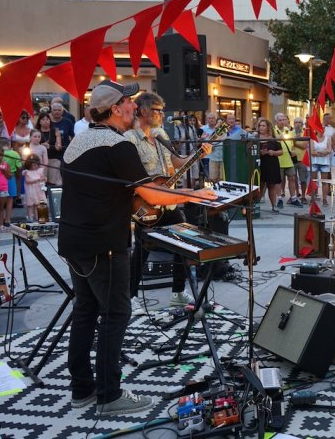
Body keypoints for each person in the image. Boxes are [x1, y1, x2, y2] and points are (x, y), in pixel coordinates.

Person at [58, 80, 214, 416]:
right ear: (115, 109)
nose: (134, 107)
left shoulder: (79, 142)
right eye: (129, 103)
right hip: (104, 243)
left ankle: (82, 389)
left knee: (85, 312)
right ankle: (109, 396)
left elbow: (116, 195)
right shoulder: (117, 145)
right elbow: (152, 195)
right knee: (115, 314)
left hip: (73, 241)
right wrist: (195, 195)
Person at [126, 92, 204, 313]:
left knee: (183, 244)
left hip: (168, 202)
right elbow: (133, 174)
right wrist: (153, 188)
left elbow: (177, 162)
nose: (161, 115)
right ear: (142, 111)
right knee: (142, 251)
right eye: (157, 110)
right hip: (146, 202)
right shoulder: (130, 138)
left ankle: (177, 293)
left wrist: (198, 155)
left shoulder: (161, 134)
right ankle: (130, 297)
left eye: (162, 110)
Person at [274, 113, 301, 207]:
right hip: (278, 159)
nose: (282, 121)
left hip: (288, 159)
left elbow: (292, 141)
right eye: (280, 120)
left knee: (292, 178)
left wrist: (292, 149)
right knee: (278, 180)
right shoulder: (273, 131)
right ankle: (279, 199)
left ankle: (293, 198)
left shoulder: (287, 130)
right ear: (276, 121)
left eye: (283, 119)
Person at [257, 118, 283, 212]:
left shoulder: (273, 138)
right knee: (260, 185)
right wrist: (260, 152)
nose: (261, 127)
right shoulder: (255, 138)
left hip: (272, 164)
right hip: (260, 164)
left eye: (263, 125)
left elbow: (281, 152)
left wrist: (274, 152)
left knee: (271, 185)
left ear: (268, 127)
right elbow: (250, 151)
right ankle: (255, 205)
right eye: (260, 125)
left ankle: (274, 206)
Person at [36, 112, 62, 185]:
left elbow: (59, 147)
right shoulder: (36, 132)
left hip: (53, 159)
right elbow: (32, 145)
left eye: (47, 119)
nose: (46, 121)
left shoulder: (55, 131)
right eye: (43, 119)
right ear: (39, 122)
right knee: (41, 181)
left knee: (53, 181)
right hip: (40, 160)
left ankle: (52, 196)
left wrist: (54, 146)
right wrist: (41, 145)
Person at [200, 112, 225, 183]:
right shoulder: (203, 129)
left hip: (221, 156)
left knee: (221, 178)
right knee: (209, 178)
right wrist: (202, 139)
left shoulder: (221, 129)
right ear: (207, 120)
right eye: (209, 118)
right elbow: (198, 142)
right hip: (207, 157)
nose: (211, 120)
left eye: (213, 118)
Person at [22, 154, 46, 222]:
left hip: (38, 190)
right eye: (32, 165)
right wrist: (37, 180)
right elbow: (27, 181)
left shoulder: (40, 170)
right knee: (30, 205)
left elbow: (44, 178)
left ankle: (38, 217)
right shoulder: (27, 172)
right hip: (31, 191)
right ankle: (30, 217)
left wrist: (44, 178)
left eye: (35, 165)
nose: (34, 167)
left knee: (38, 204)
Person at [292, 117, 309, 203]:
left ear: (302, 125)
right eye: (296, 122)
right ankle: (296, 194)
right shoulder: (290, 133)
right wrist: (294, 141)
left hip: (302, 160)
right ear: (293, 124)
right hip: (293, 160)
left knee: (303, 179)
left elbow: (304, 146)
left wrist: (294, 142)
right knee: (293, 178)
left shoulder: (304, 133)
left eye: (299, 122)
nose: (298, 124)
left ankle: (303, 196)